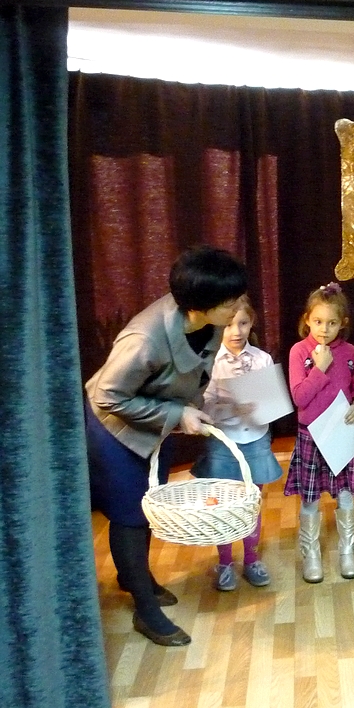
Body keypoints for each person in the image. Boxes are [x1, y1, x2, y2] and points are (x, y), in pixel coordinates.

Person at [85, 245, 247, 646]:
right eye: (229, 302)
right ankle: (145, 608)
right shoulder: (145, 338)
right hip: (114, 429)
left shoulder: (208, 323)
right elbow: (107, 395)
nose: (237, 308)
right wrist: (177, 414)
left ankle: (133, 577)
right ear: (199, 306)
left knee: (150, 505)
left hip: (157, 423)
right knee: (131, 514)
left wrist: (190, 409)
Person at [191, 294, 283, 592]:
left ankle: (252, 560)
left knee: (251, 503)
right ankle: (225, 562)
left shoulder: (262, 359)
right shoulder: (211, 362)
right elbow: (202, 408)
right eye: (229, 324)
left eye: (242, 323)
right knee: (223, 504)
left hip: (255, 440)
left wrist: (263, 407)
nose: (236, 331)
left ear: (251, 322)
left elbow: (272, 404)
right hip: (223, 444)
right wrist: (232, 407)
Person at [286, 282, 354, 583]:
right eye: (318, 321)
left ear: (342, 323)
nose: (324, 329)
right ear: (307, 319)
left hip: (341, 433)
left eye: (332, 323)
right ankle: (311, 554)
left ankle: (347, 552)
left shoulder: (351, 352)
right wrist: (319, 368)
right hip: (312, 435)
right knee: (310, 497)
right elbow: (300, 398)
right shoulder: (299, 352)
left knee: (345, 494)